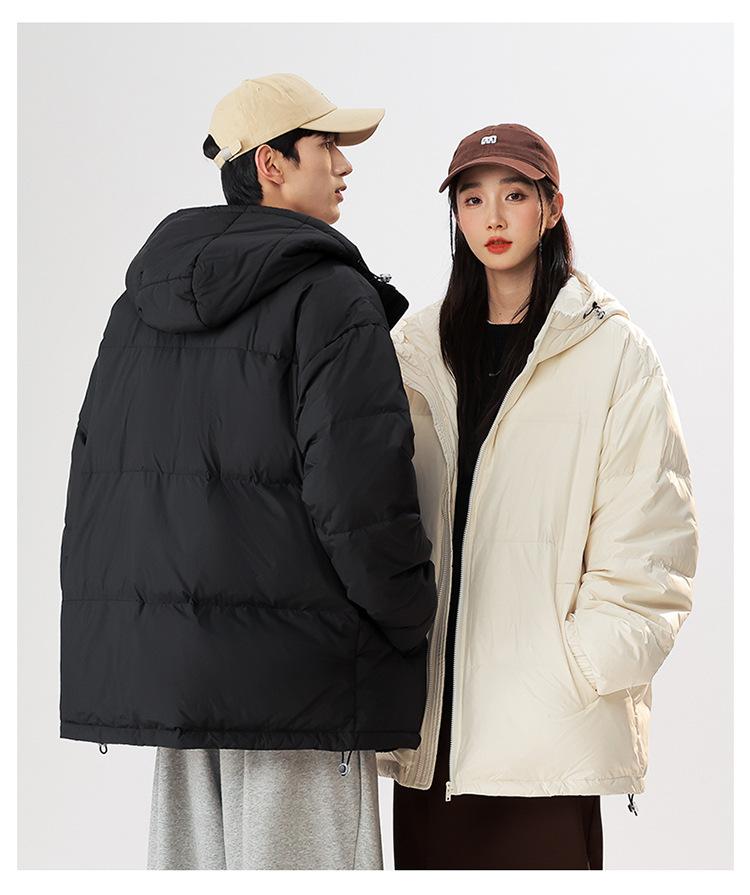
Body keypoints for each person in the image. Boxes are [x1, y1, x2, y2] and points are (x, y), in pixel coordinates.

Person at [59, 73, 437, 870]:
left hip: (181, 684)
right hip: (306, 684)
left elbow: (100, 485)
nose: (345, 165)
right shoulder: (332, 297)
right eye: (327, 146)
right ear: (271, 163)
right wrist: (411, 622)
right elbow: (359, 495)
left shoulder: (139, 308)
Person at [377, 123, 699, 870]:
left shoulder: (614, 352)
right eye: (472, 198)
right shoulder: (415, 348)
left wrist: (578, 667)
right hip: (434, 732)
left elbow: (653, 538)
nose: (493, 216)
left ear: (552, 208)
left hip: (551, 730)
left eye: (515, 195)